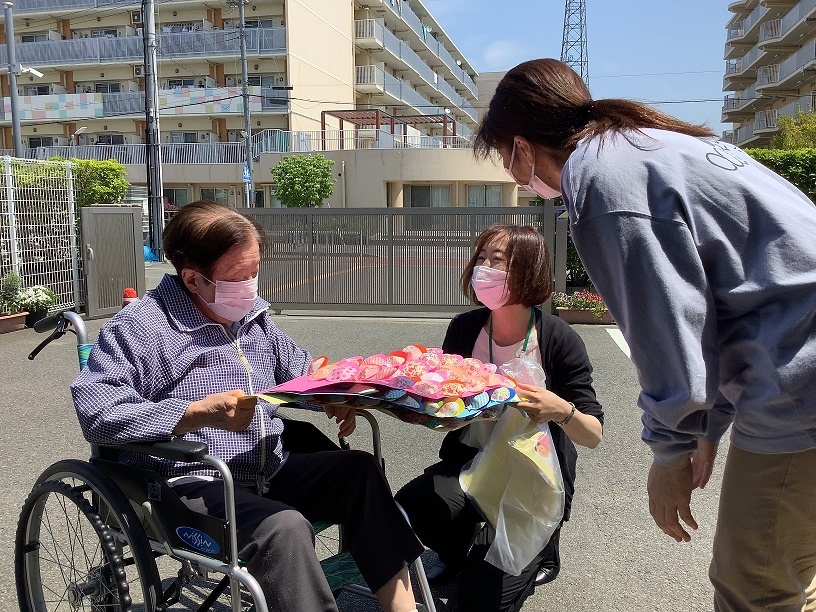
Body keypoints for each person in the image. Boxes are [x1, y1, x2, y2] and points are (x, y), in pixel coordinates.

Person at [473, 58, 816, 611]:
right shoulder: (641, 146)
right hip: (795, 353)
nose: (518, 179)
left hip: (800, 374)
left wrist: (671, 453)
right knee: (792, 569)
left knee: (753, 584)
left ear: (520, 146)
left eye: (508, 162)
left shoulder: (605, 182)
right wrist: (708, 426)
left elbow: (667, 329)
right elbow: (731, 297)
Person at [71, 200, 424, 612]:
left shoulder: (251, 318)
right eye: (239, 277)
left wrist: (334, 394)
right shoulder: (141, 328)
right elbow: (98, 410)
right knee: (284, 527)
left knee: (358, 471)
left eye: (255, 272)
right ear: (192, 279)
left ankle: (402, 608)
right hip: (190, 481)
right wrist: (196, 413)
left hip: (264, 464)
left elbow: (297, 370)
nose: (252, 287)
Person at [395, 224, 604, 612]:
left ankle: (543, 550)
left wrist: (560, 408)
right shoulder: (465, 328)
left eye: (498, 261)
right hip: (472, 464)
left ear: (527, 270)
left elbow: (593, 433)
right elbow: (447, 405)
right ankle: (461, 553)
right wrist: (415, 399)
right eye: (481, 258)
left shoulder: (558, 339)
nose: (483, 269)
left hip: (535, 478)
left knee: (481, 602)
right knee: (414, 504)